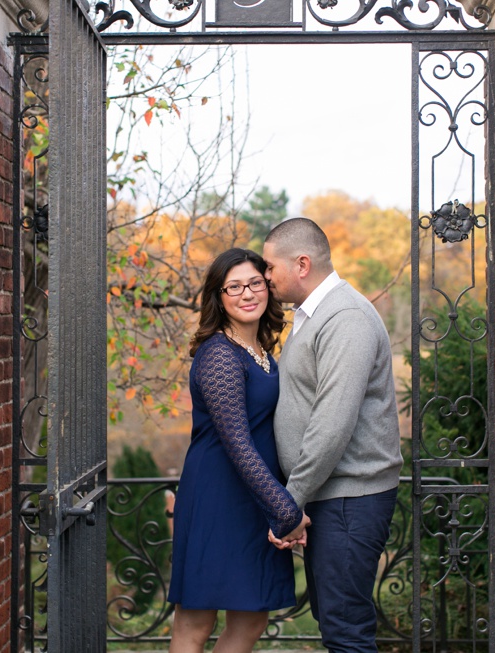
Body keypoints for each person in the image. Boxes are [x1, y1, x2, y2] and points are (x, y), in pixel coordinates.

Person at [262, 218, 403, 653]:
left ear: (301, 263)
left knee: (346, 629)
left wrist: (291, 499)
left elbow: (333, 422)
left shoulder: (345, 317)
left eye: (270, 267)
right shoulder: (310, 316)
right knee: (334, 619)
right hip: (333, 497)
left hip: (350, 499)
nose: (266, 277)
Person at [168, 247, 311, 653]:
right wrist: (285, 511)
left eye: (255, 283)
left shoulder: (262, 351)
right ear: (219, 295)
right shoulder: (219, 355)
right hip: (218, 495)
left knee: (252, 616)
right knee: (197, 619)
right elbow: (237, 443)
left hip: (255, 496)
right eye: (234, 286)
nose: (247, 293)